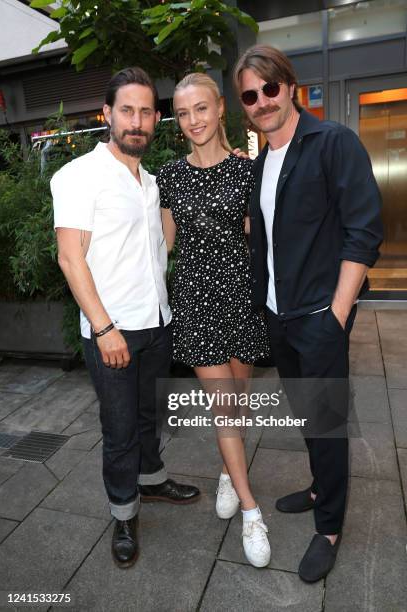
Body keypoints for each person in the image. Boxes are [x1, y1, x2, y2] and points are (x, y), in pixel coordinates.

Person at [233, 44, 383, 582]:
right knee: (305, 415)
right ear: (245, 106)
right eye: (250, 95)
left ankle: (330, 527)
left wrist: (337, 315)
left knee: (326, 424)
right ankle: (321, 486)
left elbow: (363, 233)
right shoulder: (261, 163)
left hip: (321, 316)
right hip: (279, 317)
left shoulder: (332, 142)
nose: (262, 101)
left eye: (269, 88)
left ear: (289, 86)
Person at [51, 67, 200, 569]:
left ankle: (153, 481)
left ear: (156, 119)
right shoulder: (77, 177)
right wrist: (104, 327)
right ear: (107, 115)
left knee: (148, 416)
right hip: (110, 330)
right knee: (118, 430)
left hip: (156, 322)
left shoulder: (153, 183)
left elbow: (161, 244)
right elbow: (71, 258)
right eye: (126, 111)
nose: (136, 121)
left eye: (145, 112)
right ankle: (123, 512)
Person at [157, 72, 271, 568]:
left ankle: (229, 471)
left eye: (200, 109)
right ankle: (251, 511)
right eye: (182, 114)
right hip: (198, 303)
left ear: (220, 108)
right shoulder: (170, 177)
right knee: (224, 406)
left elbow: (260, 239)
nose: (192, 121)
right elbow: (163, 247)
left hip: (240, 299)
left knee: (238, 403)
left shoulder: (248, 172)